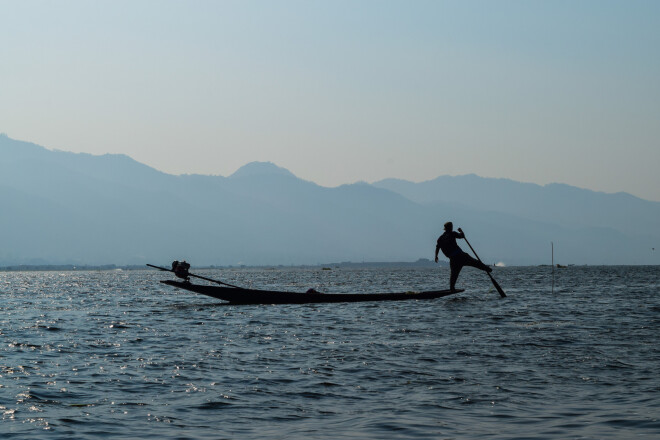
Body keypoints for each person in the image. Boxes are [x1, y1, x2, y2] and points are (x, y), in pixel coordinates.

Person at [435, 222, 492, 291]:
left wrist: (436, 256)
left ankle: (452, 288)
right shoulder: (452, 233)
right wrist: (461, 231)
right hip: (461, 256)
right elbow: (462, 236)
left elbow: (437, 247)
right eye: (451, 227)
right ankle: (487, 268)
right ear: (449, 227)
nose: (452, 228)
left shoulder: (440, 238)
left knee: (453, 275)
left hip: (453, 259)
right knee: (475, 263)